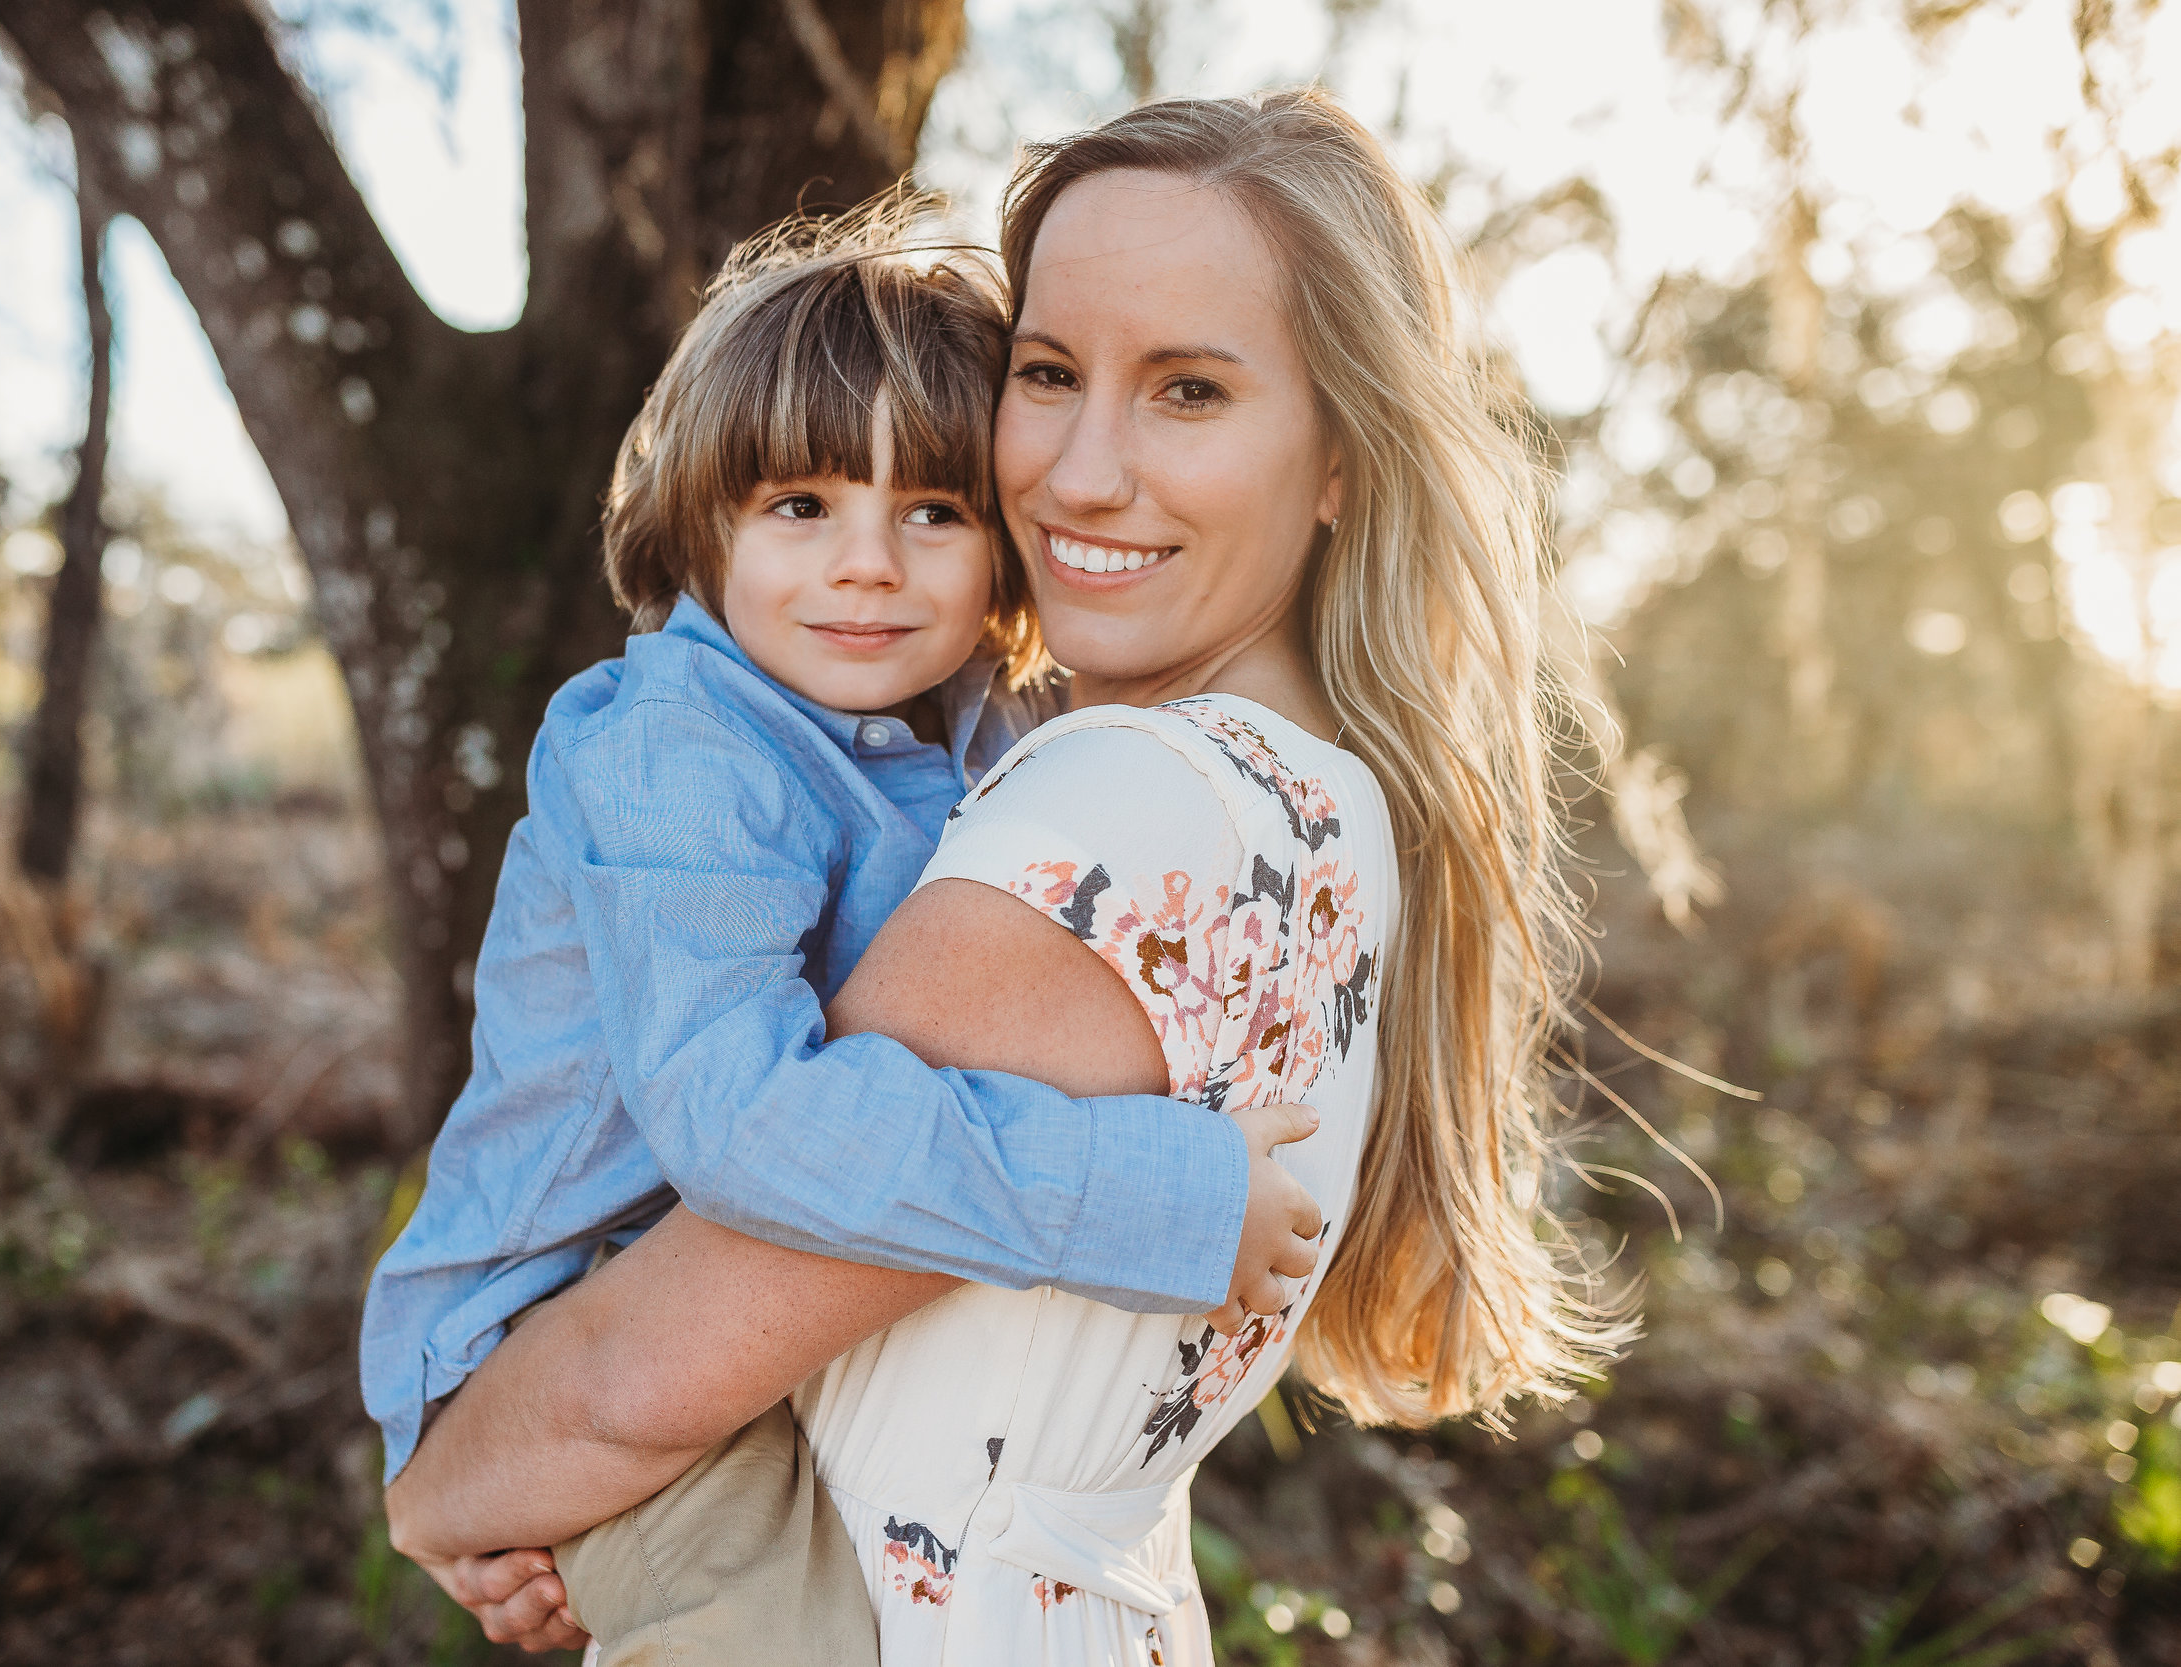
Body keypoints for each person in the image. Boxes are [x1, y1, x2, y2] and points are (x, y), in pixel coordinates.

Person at [392, 89, 1632, 1663]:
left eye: (1189, 390)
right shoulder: (1320, 809)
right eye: (1049, 374)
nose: (1085, 472)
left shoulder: (1116, 812)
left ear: (1343, 459)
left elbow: (630, 1380)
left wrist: (441, 1499)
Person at [368, 200, 1325, 1665]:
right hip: (550, 1310)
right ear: (705, 522)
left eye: (933, 513)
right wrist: (1154, 1196)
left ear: (1003, 551)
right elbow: (744, 1126)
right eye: (802, 505)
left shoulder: (956, 719)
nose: (869, 565)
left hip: (731, 1320)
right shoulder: (683, 751)